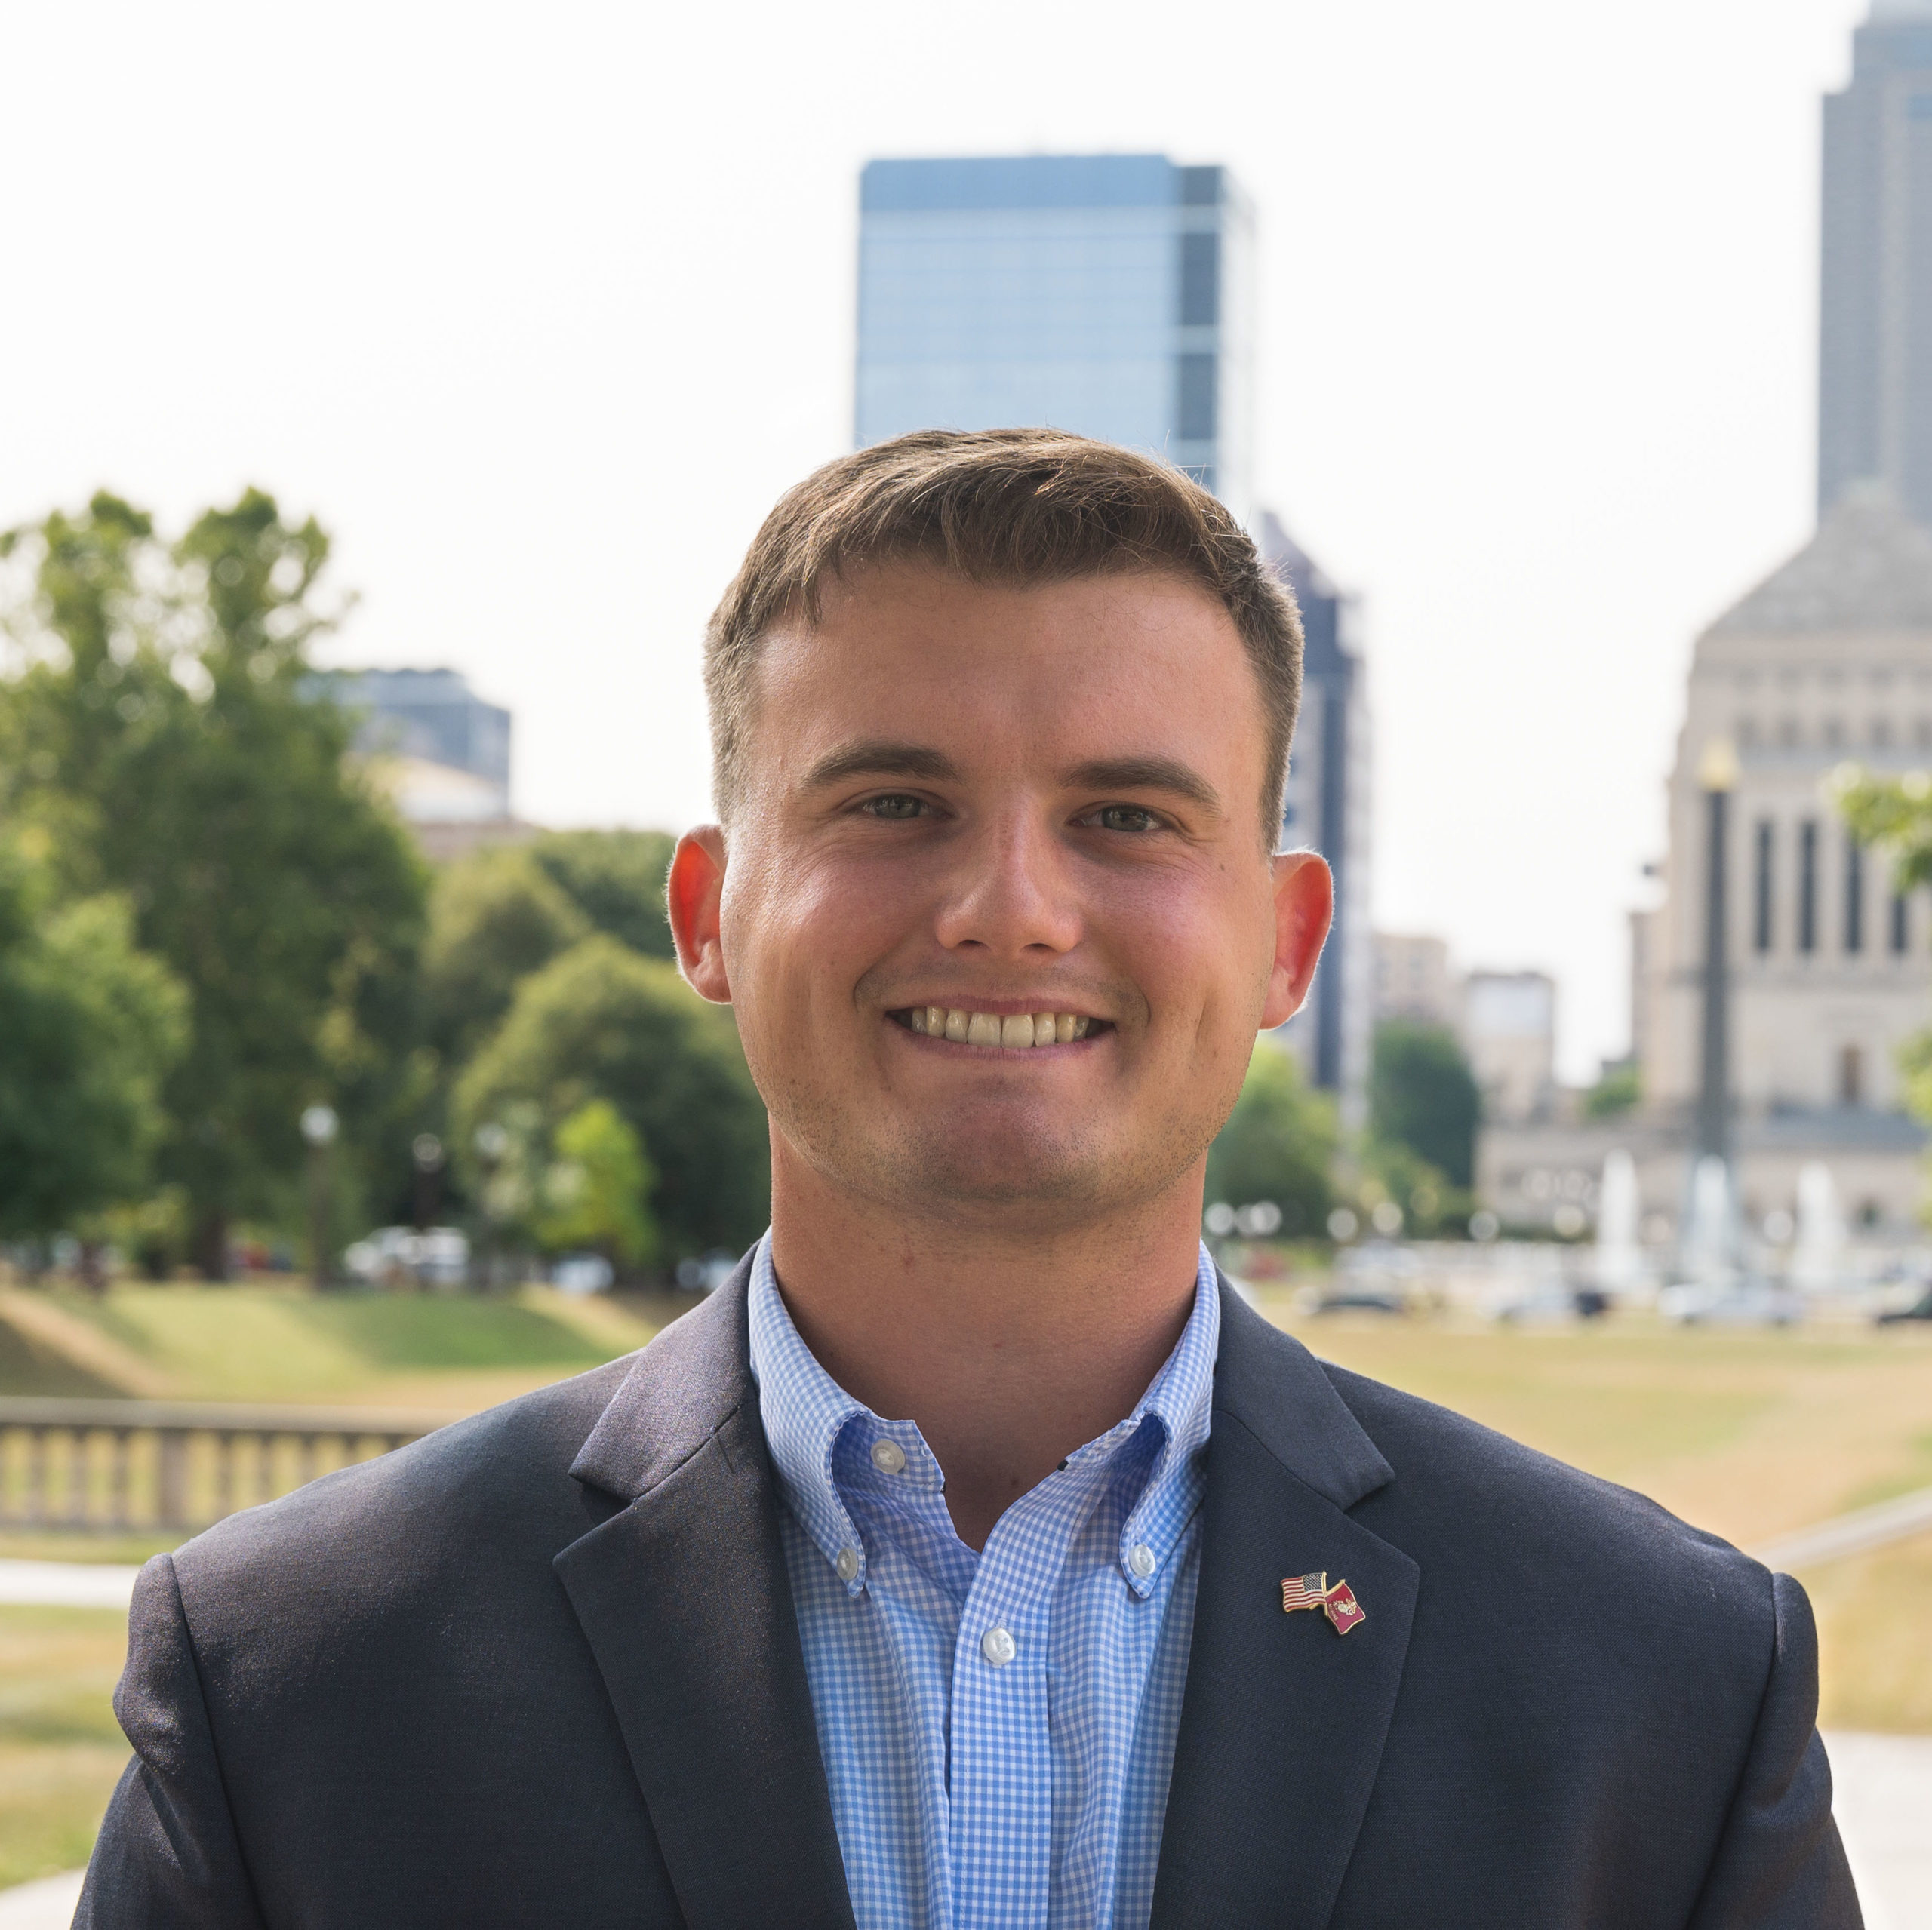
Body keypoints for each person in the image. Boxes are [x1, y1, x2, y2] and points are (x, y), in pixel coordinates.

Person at [79, 429, 1858, 1929]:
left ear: (1282, 942)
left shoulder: (1665, 1698)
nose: (1010, 903)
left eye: (1127, 817)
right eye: (891, 803)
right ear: (706, 914)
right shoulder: (290, 1687)